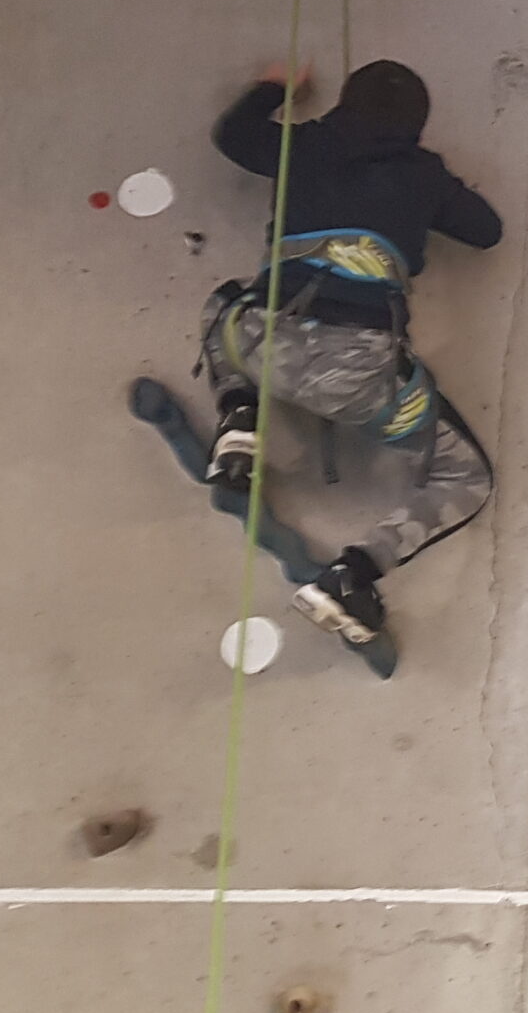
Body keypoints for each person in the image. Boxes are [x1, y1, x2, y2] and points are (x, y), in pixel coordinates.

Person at [200, 58, 501, 648]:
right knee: (466, 477)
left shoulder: (304, 147)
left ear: (343, 105)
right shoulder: (422, 175)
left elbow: (233, 136)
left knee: (225, 305)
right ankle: (352, 576)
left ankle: (239, 418)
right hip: (361, 377)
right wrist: (433, 185)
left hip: (263, 342)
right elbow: (487, 231)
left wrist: (274, 87)